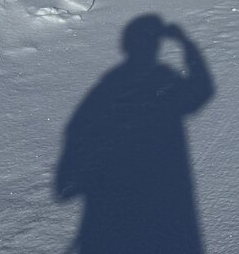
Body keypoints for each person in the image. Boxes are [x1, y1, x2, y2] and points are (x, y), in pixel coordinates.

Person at [56, 15, 215, 253]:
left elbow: (77, 131)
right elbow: (201, 91)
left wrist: (71, 174)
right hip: (158, 199)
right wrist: (185, 43)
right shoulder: (162, 78)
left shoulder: (108, 86)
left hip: (111, 208)